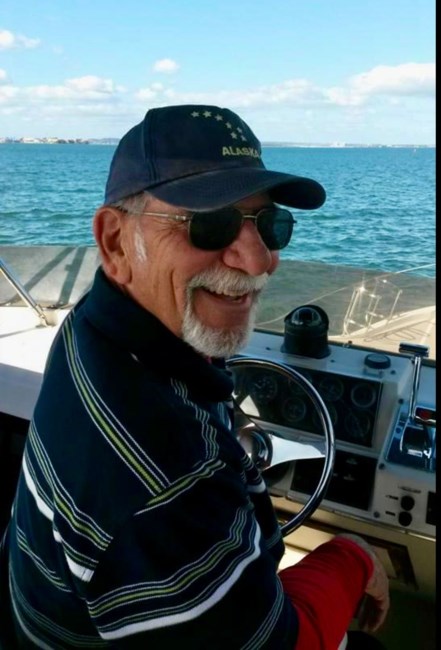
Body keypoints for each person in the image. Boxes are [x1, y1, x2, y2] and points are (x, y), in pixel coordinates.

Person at [0, 104, 389, 649]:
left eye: (271, 225)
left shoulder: (94, 328)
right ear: (115, 241)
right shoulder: (168, 479)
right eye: (210, 224)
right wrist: (354, 556)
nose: (259, 260)